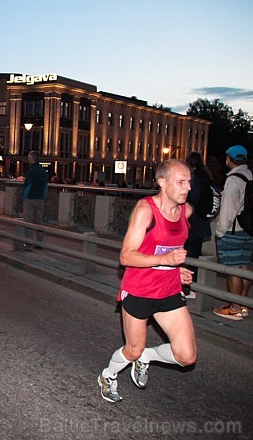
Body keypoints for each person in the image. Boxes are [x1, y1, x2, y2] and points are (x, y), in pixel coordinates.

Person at [97, 159, 196, 404]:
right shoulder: (146, 210)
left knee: (186, 356)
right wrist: (167, 259)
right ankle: (108, 376)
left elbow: (173, 248)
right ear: (162, 182)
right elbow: (126, 256)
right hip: (139, 290)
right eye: (181, 182)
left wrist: (178, 267)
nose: (188, 188)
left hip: (169, 290)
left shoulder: (187, 211)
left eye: (189, 182)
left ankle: (148, 357)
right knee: (133, 349)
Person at [212, 145, 253, 321]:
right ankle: (242, 305)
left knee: (233, 269)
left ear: (228, 160)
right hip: (251, 229)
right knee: (244, 267)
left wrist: (220, 230)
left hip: (234, 229)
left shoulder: (233, 180)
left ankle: (234, 308)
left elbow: (228, 209)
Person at [183, 152, 214, 298]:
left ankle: (190, 287)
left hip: (193, 222)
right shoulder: (206, 175)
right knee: (194, 254)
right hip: (201, 221)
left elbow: (192, 199)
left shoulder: (195, 178)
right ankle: (191, 286)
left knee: (190, 255)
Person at [22, 150, 48, 250]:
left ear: (32, 159)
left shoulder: (31, 172)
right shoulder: (43, 171)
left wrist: (24, 197)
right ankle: (40, 243)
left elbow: (28, 186)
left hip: (30, 198)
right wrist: (43, 196)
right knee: (39, 222)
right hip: (40, 199)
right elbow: (45, 186)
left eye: (29, 157)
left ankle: (29, 243)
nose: (28, 159)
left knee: (28, 222)